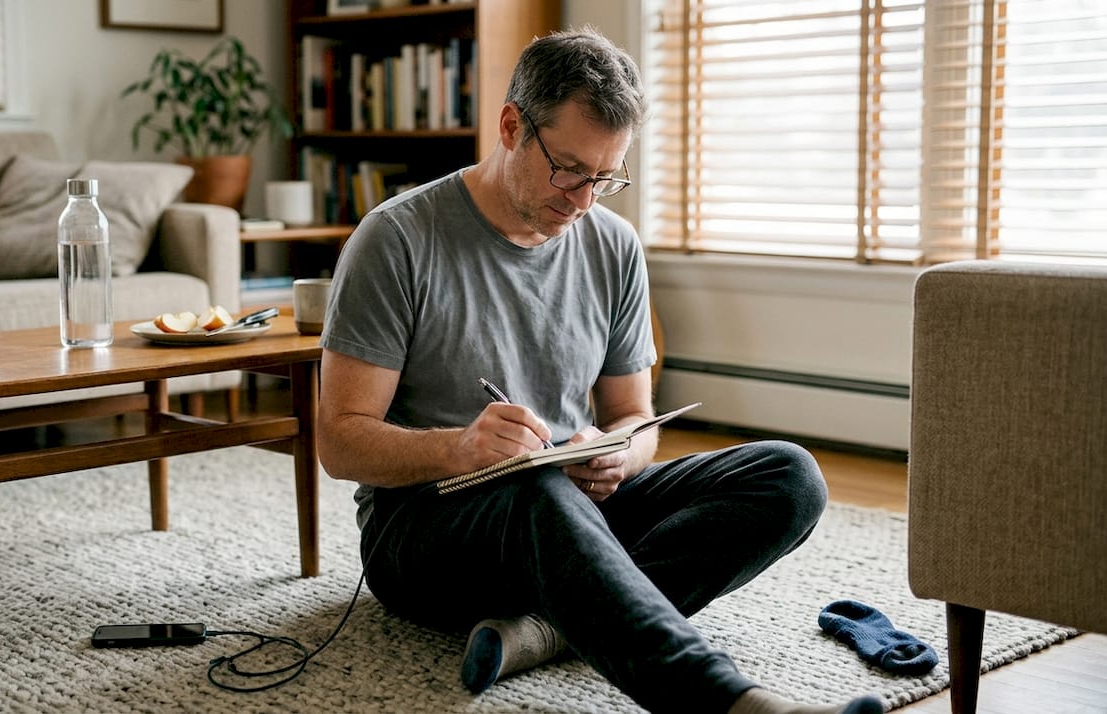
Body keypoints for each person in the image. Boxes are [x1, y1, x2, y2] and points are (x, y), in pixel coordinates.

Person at [316, 27, 884, 714]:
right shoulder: (398, 239)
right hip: (426, 533)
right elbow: (341, 441)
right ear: (510, 126)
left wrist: (617, 456)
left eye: (605, 178)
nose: (584, 200)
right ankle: (728, 702)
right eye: (569, 170)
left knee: (789, 476)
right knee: (534, 494)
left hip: (570, 507)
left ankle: (547, 630)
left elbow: (633, 419)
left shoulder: (613, 246)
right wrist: (461, 449)